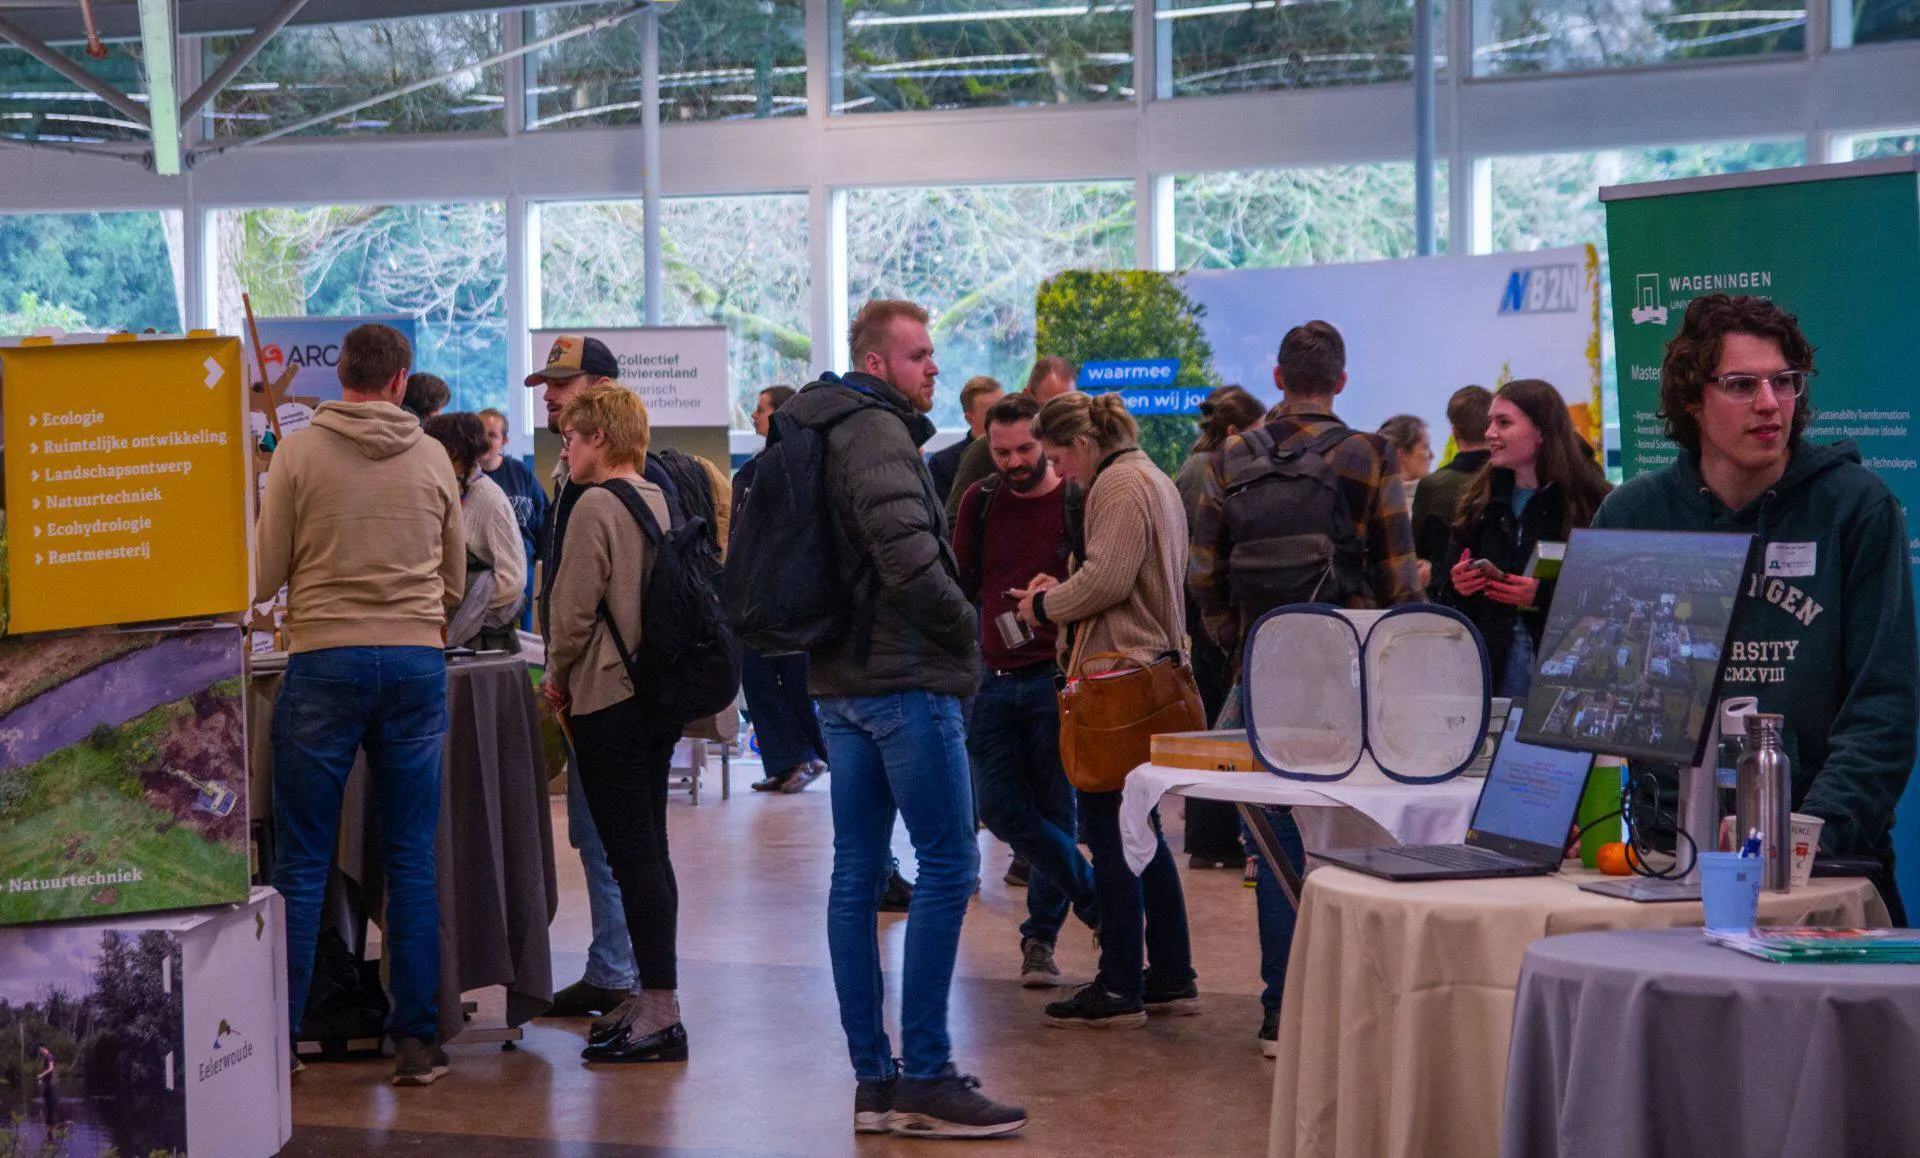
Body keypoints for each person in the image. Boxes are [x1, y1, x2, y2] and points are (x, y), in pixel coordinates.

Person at [1591, 293, 1918, 921]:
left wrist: (1803, 838)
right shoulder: (1635, 518)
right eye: (1741, 384)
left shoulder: (1856, 508)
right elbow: (1603, 700)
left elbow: (1884, 708)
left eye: (1784, 382)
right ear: (1693, 399)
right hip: (1671, 862)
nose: (1770, 404)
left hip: (1823, 867)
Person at [780, 299, 1024, 1139]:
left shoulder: (811, 426)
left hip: (840, 681)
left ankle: (875, 1083)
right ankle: (924, 1073)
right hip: (903, 681)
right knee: (952, 862)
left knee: (856, 875)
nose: (934, 370)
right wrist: (969, 625)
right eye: (920, 356)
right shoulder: (877, 431)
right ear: (877, 363)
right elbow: (908, 558)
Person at [1188, 319, 1423, 1058]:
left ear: (1279, 376)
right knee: (1357, 831)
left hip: (1266, 670)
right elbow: (1398, 578)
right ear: (1342, 382)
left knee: (1275, 839)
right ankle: (1358, 1005)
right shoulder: (1369, 453)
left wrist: (1247, 644)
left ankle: (1280, 1013)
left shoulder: (1231, 456)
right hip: (1349, 676)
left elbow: (1203, 576)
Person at [258, 322, 464, 1087]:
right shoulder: (435, 455)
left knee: (303, 860)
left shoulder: (300, 452)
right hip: (414, 662)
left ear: (337, 375)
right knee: (410, 858)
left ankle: (276, 1042)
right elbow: (453, 577)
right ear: (401, 381)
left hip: (323, 658)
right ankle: (416, 1044)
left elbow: (265, 570)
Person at [1012, 392, 1200, 1031]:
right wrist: (1066, 587)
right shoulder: (1152, 476)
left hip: (1120, 679)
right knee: (1140, 832)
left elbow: (1107, 584)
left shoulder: (1117, 485)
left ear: (1086, 444)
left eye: (1061, 456)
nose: (1060, 470)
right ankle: (1171, 974)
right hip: (1152, 674)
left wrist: (1041, 607)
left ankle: (1120, 983)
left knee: (1114, 832)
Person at [542, 384, 689, 1063]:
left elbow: (571, 613)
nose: (564, 445)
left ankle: (659, 1010)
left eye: (572, 435)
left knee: (630, 856)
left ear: (600, 437)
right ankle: (656, 996)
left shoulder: (596, 505)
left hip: (606, 698)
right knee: (649, 851)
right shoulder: (655, 497)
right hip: (654, 696)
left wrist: (554, 675)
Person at [951, 393, 1098, 988]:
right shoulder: (979, 501)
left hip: (1057, 678)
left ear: (1047, 444)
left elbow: (1099, 581)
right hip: (991, 678)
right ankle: (1099, 903)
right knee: (1000, 809)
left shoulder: (1075, 501)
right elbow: (960, 582)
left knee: (1055, 810)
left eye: (1025, 449)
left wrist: (1058, 590)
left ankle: (1038, 940)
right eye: (1001, 450)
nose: (1013, 462)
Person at [527, 334, 644, 1021]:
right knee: (597, 832)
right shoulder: (570, 480)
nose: (549, 397)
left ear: (598, 391)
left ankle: (620, 971)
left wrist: (560, 671)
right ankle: (614, 962)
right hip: (597, 685)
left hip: (606, 686)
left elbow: (582, 600)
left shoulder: (608, 489)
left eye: (561, 386)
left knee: (612, 833)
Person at [1442, 380, 1611, 699]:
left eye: (1503, 423)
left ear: (1543, 431)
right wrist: (1459, 585)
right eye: (1490, 422)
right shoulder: (1478, 501)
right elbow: (1447, 595)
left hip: (1571, 677)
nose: (1490, 433)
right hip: (1492, 678)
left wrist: (1544, 595)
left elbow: (1615, 592)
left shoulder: (1593, 502)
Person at [1174, 386, 1264, 870]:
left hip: (1201, 613)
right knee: (1216, 727)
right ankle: (1212, 836)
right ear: (1234, 432)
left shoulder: (1195, 466)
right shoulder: (1211, 470)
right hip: (1210, 616)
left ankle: (1212, 835)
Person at [736, 385, 831, 796]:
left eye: (760, 410)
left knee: (791, 678)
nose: (754, 417)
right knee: (758, 674)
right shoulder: (753, 470)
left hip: (788, 593)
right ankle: (792, 758)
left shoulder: (801, 466)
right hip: (756, 593)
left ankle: (805, 756)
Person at [425, 412, 527, 651]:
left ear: (453, 453)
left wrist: (468, 602)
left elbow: (512, 579)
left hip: (482, 640)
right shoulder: (449, 490)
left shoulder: (490, 500)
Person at [945, 357, 1075, 524]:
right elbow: (954, 524)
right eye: (1047, 408)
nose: (1056, 420)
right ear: (1028, 396)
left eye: (1067, 409)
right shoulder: (981, 452)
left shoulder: (1082, 448)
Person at [1412, 385, 1493, 596]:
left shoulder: (1432, 485)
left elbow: (1419, 551)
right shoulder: (1512, 478)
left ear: (1454, 432)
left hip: (1448, 601)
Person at [479, 406, 547, 633]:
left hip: (523, 565)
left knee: (526, 632)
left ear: (504, 440)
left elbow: (542, 518)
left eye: (492, 435)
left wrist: (542, 562)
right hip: (483, 569)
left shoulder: (521, 473)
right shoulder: (464, 477)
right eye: (479, 433)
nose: (485, 440)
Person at [927, 376, 1003, 505]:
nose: (1002, 419)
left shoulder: (1019, 453)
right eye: (992, 414)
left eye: (1005, 410)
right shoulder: (943, 464)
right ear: (969, 419)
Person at [35, 1043, 56, 1125]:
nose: (40, 1052)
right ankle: (46, 1116)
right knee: (46, 1098)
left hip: (49, 1082)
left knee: (48, 1099)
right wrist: (42, 1080)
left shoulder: (49, 1056)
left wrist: (41, 1075)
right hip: (47, 1081)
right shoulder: (47, 1057)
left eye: (40, 1050)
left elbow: (51, 1068)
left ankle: (48, 1117)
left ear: (44, 1048)